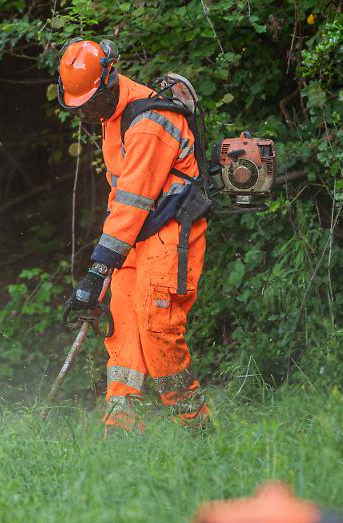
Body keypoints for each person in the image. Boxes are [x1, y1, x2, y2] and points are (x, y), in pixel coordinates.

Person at [56, 39, 209, 430]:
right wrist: (107, 263)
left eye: (92, 102)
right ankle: (122, 426)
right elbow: (120, 197)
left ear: (110, 80)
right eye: (81, 107)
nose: (88, 112)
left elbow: (134, 201)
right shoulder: (113, 117)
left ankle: (195, 425)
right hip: (137, 233)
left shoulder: (148, 123)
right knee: (120, 325)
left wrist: (96, 271)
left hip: (170, 228)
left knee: (158, 324)